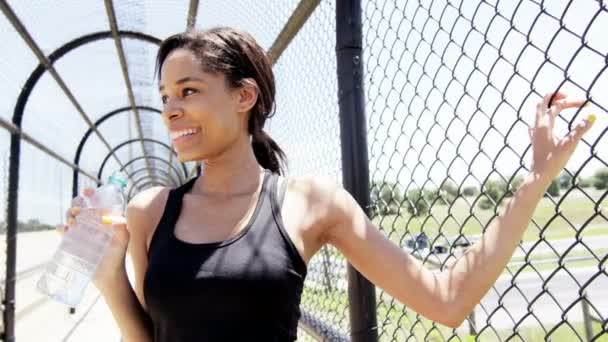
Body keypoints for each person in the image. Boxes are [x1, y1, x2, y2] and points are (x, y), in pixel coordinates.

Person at [63, 27, 597, 341]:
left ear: (243, 96)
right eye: (164, 96)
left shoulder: (307, 203)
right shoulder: (150, 210)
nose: (171, 109)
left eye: (188, 89)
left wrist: (534, 180)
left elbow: (447, 300)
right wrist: (109, 276)